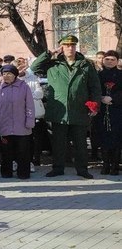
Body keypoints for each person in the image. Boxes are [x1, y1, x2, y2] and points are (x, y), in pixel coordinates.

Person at [31, 35, 101, 179]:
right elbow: (34, 67)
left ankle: (82, 169)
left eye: (73, 45)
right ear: (61, 47)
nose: (70, 48)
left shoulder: (85, 64)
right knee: (58, 143)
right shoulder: (53, 63)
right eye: (67, 45)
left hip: (79, 110)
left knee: (80, 143)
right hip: (59, 110)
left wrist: (94, 105)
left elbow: (95, 86)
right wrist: (50, 53)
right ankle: (57, 168)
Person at [0, 65, 35, 179]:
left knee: (23, 152)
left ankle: (23, 173)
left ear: (15, 75)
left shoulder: (24, 87)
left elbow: (30, 106)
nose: (6, 76)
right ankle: (6, 173)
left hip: (22, 127)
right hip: (5, 127)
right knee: (6, 152)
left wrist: (30, 122)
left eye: (9, 74)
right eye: (4, 74)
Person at [96, 50, 122, 175]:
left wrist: (113, 98)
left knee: (116, 138)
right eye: (107, 59)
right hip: (101, 110)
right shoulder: (98, 75)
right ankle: (105, 164)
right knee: (104, 137)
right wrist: (101, 98)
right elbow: (93, 89)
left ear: (117, 61)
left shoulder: (121, 74)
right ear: (103, 60)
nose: (110, 62)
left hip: (117, 110)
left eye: (113, 59)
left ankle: (115, 166)